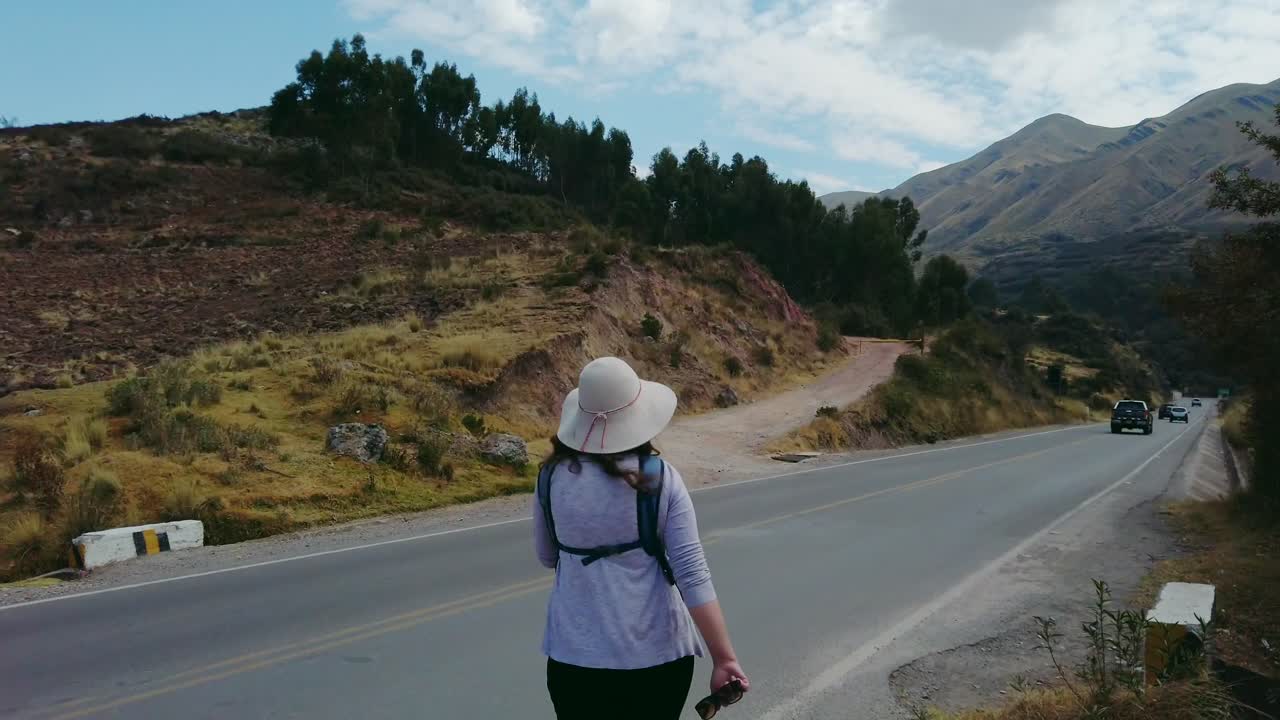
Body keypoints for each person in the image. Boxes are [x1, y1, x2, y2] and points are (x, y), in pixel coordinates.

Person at [534, 356, 750, 720]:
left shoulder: (550, 478)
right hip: (657, 661)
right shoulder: (660, 478)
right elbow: (692, 575)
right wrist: (724, 658)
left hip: (574, 660)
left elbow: (546, 556)